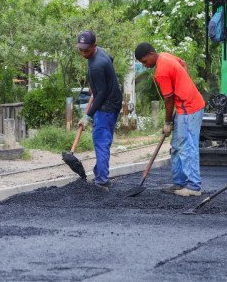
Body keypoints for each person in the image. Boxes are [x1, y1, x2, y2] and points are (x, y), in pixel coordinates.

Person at [134, 42, 205, 196]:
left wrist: (168, 122)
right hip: (186, 106)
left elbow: (168, 99)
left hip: (189, 108)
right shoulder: (165, 55)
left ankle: (193, 187)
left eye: (145, 61)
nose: (144, 66)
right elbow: (183, 64)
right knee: (177, 146)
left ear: (152, 54)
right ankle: (179, 184)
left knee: (186, 147)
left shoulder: (161, 71)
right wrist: (184, 85)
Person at [76, 30, 123, 190]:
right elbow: (111, 59)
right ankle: (100, 174)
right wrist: (94, 85)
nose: (83, 53)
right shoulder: (99, 52)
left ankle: (102, 181)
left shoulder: (96, 66)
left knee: (101, 141)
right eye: (80, 49)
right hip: (114, 100)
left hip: (107, 105)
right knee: (103, 140)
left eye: (86, 50)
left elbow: (101, 94)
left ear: (93, 46)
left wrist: (87, 116)